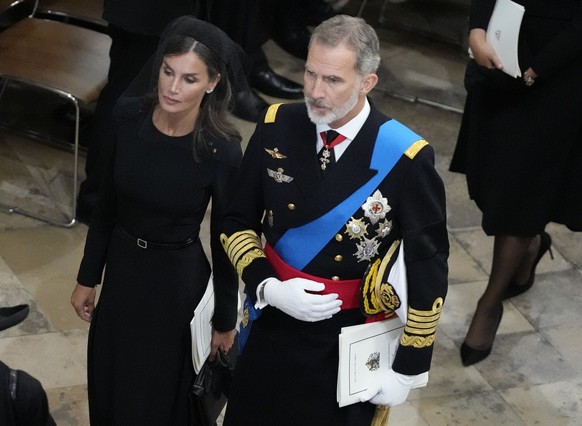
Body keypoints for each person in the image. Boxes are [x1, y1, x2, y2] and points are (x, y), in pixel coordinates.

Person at [219, 15, 449, 425]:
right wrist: (266, 285)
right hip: (271, 323)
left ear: (367, 82)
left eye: (333, 80)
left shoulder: (406, 157)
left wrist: (410, 366)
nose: (315, 91)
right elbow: (235, 219)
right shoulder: (277, 126)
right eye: (310, 73)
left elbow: (427, 264)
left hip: (346, 343)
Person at [70, 16, 242, 425]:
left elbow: (224, 239)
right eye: (168, 72)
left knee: (159, 396)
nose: (172, 87)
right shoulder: (127, 120)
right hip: (124, 274)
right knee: (112, 381)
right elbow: (107, 208)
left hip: (177, 287)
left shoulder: (221, 149)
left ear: (212, 83)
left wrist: (224, 321)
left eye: (188, 79)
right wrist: (87, 277)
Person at [450, 0, 582, 366]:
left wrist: (536, 70)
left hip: (563, 70)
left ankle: (489, 303)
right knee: (494, 178)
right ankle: (531, 245)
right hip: (501, 51)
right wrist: (477, 29)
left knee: (523, 190)